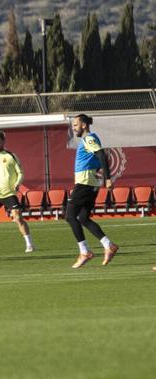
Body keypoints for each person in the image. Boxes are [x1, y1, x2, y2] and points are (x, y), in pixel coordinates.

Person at [66, 114, 119, 268]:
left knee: (70, 216)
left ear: (83, 125)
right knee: (83, 218)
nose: (74, 128)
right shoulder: (88, 139)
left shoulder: (89, 138)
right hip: (90, 184)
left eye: (76, 125)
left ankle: (85, 252)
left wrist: (108, 178)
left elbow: (101, 155)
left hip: (85, 184)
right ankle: (109, 245)